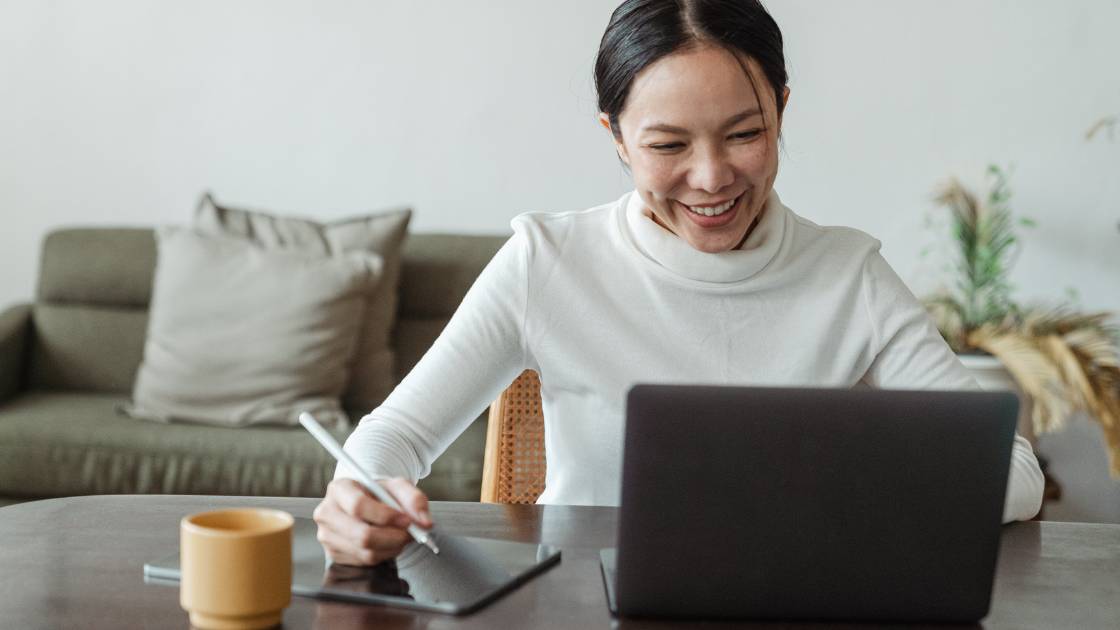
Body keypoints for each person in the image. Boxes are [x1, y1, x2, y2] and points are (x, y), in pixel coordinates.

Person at [313, 0, 1045, 566]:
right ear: (617, 139)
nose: (711, 177)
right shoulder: (547, 261)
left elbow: (1013, 472)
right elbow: (395, 437)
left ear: (782, 110)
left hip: (793, 598)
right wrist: (358, 500)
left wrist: (852, 485)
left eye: (745, 134)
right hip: (578, 601)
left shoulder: (849, 275)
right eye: (667, 144)